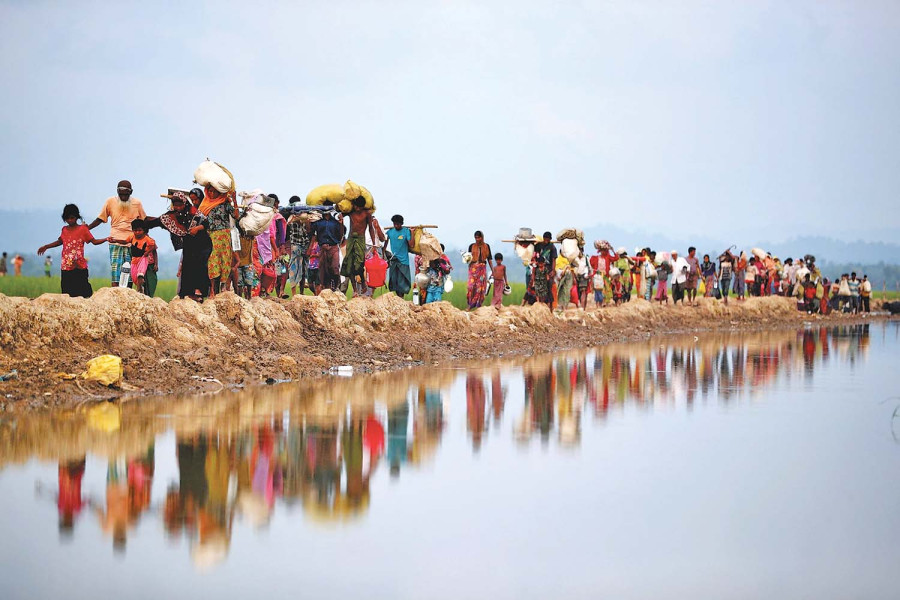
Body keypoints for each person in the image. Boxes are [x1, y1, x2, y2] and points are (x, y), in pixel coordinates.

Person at [37, 204, 108, 297]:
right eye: (67, 218)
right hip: (66, 266)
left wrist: (106, 239)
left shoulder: (83, 229)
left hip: (79, 266)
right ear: (64, 219)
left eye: (72, 218)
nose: (70, 220)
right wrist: (46, 246)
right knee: (67, 293)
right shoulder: (64, 230)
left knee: (84, 292)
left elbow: (94, 241)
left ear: (77, 217)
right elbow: (60, 241)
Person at [88, 180, 146, 287]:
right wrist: (87, 228)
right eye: (121, 194)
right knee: (116, 273)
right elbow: (101, 218)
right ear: (117, 192)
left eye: (126, 195)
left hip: (131, 243)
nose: (123, 197)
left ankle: (127, 294)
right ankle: (115, 293)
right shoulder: (110, 202)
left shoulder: (137, 203)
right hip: (115, 242)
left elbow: (144, 222)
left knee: (129, 274)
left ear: (131, 192)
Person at [196, 183, 238, 299]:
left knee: (225, 261)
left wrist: (234, 200)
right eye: (210, 191)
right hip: (210, 236)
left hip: (224, 236)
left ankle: (223, 287)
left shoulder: (225, 203)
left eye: (215, 191)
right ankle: (212, 290)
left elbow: (235, 215)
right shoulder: (204, 204)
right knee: (212, 262)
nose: (212, 193)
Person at [340, 197, 376, 297]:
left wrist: (374, 243)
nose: (357, 209)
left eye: (359, 207)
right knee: (349, 263)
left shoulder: (367, 214)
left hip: (360, 238)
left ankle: (363, 281)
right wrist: (340, 216)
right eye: (356, 206)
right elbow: (341, 214)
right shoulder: (351, 211)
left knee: (359, 263)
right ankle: (355, 289)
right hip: (351, 238)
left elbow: (371, 228)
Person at [180, 188, 212, 300]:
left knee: (201, 266)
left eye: (196, 199)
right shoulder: (189, 210)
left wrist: (198, 228)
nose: (194, 202)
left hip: (203, 242)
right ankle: (188, 292)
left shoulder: (206, 208)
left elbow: (209, 223)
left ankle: (200, 291)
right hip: (190, 242)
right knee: (189, 266)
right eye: (192, 200)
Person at [111, 219, 157, 295]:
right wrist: (115, 240)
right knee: (134, 277)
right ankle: (140, 287)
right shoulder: (132, 237)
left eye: (139, 230)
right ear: (132, 230)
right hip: (134, 259)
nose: (137, 232)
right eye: (135, 230)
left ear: (144, 230)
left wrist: (147, 252)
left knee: (140, 274)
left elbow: (153, 247)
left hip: (143, 258)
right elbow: (125, 241)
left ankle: (140, 288)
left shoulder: (147, 239)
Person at [310, 208, 344, 293]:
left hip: (333, 247)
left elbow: (340, 235)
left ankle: (335, 286)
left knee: (335, 268)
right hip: (322, 248)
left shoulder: (335, 222)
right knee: (323, 270)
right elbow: (310, 231)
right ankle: (326, 288)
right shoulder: (318, 222)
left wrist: (341, 223)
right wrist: (308, 220)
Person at [286, 196, 312, 297]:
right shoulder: (291, 217)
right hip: (296, 245)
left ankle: (301, 292)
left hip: (305, 244)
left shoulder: (305, 217)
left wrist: (305, 220)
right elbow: (289, 223)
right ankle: (294, 294)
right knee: (294, 269)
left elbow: (309, 231)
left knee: (304, 269)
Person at [384, 214, 412, 298]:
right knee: (394, 281)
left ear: (402, 223)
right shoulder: (390, 232)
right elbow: (385, 243)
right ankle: (398, 298)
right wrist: (383, 256)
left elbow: (411, 244)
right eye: (394, 224)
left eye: (398, 224)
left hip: (403, 261)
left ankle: (401, 298)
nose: (396, 226)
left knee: (402, 282)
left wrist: (412, 232)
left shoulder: (406, 231)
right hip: (394, 260)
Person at [466, 231, 494, 310]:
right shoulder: (471, 246)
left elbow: (489, 259)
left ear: (482, 237)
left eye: (479, 237)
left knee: (480, 288)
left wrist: (493, 271)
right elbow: (468, 258)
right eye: (476, 238)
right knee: (471, 286)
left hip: (482, 269)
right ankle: (470, 304)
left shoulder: (486, 246)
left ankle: (477, 306)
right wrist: (466, 259)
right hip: (473, 268)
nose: (477, 239)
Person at [234, 232, 259, 299]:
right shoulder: (236, 235)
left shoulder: (250, 235)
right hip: (239, 262)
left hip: (246, 261)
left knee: (247, 282)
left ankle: (248, 298)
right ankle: (242, 298)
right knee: (241, 283)